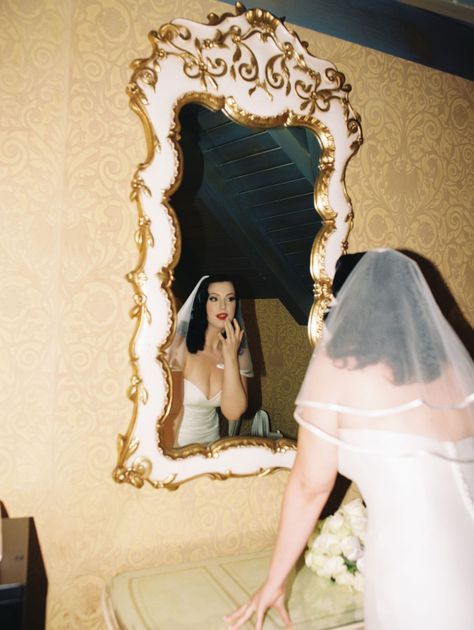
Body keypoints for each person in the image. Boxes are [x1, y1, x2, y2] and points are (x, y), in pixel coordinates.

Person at [225, 249, 474, 630]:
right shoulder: (454, 374)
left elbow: (310, 485)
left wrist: (275, 581)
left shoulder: (340, 372)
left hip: (418, 575)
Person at [167, 275, 253, 447]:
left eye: (230, 298)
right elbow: (168, 414)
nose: (223, 306)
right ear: (201, 303)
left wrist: (230, 358)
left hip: (212, 449)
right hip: (174, 445)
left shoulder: (237, 353)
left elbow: (233, 413)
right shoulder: (179, 349)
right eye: (214, 298)